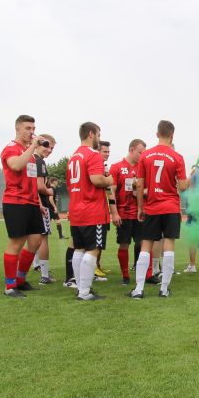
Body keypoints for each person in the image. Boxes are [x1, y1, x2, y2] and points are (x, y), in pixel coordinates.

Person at [130, 120, 188, 298]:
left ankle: (139, 289)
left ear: (157, 134)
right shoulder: (177, 157)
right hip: (171, 207)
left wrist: (140, 207)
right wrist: (191, 179)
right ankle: (164, 289)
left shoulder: (145, 156)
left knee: (146, 245)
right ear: (172, 135)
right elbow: (183, 186)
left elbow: (140, 185)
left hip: (152, 207)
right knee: (169, 245)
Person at [67, 122, 115, 301]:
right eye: (98, 135)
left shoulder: (73, 157)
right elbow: (97, 180)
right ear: (91, 134)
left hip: (76, 209)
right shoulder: (93, 155)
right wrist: (110, 179)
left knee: (79, 249)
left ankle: (81, 289)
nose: (99, 139)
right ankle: (85, 292)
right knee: (93, 250)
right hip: (92, 210)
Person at [0, 115, 44, 298]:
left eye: (33, 128)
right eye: (28, 128)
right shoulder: (11, 148)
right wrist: (33, 146)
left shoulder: (29, 153)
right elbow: (16, 165)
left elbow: (31, 180)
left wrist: (39, 202)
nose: (31, 132)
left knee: (35, 241)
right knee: (16, 243)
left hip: (32, 202)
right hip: (15, 202)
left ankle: (20, 279)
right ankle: (10, 286)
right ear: (17, 129)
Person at [110, 138, 145, 285]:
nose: (142, 156)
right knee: (124, 244)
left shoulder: (143, 168)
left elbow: (147, 189)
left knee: (143, 244)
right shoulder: (117, 167)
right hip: (123, 213)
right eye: (140, 152)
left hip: (139, 213)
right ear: (131, 150)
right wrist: (114, 213)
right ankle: (125, 276)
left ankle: (143, 273)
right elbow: (111, 190)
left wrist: (141, 192)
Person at [31, 134, 57, 284]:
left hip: (30, 203)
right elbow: (39, 187)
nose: (49, 150)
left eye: (52, 148)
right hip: (39, 206)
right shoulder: (39, 161)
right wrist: (49, 191)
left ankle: (31, 267)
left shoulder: (30, 159)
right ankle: (45, 275)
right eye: (47, 146)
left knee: (31, 239)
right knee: (43, 238)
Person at [94, 140, 116, 280]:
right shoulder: (96, 168)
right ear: (98, 152)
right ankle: (93, 268)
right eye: (104, 151)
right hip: (95, 211)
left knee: (100, 241)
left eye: (108, 151)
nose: (107, 154)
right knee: (96, 241)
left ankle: (97, 265)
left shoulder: (104, 168)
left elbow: (108, 191)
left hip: (104, 210)